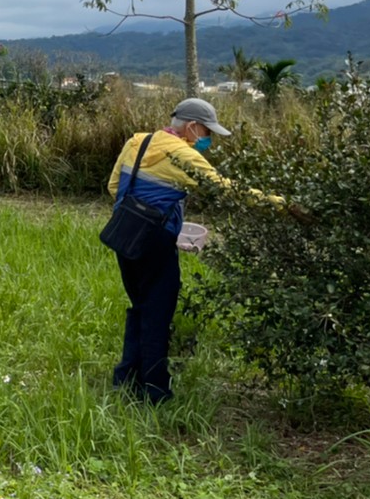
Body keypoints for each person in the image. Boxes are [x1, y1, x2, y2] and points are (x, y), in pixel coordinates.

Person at [105, 97, 282, 402]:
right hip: (156, 240)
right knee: (158, 313)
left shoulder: (138, 141)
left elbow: (112, 187)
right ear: (191, 127)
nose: (209, 140)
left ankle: (126, 378)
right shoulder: (181, 153)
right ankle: (155, 391)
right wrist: (278, 203)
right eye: (207, 132)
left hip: (125, 233)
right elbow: (223, 188)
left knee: (140, 306)